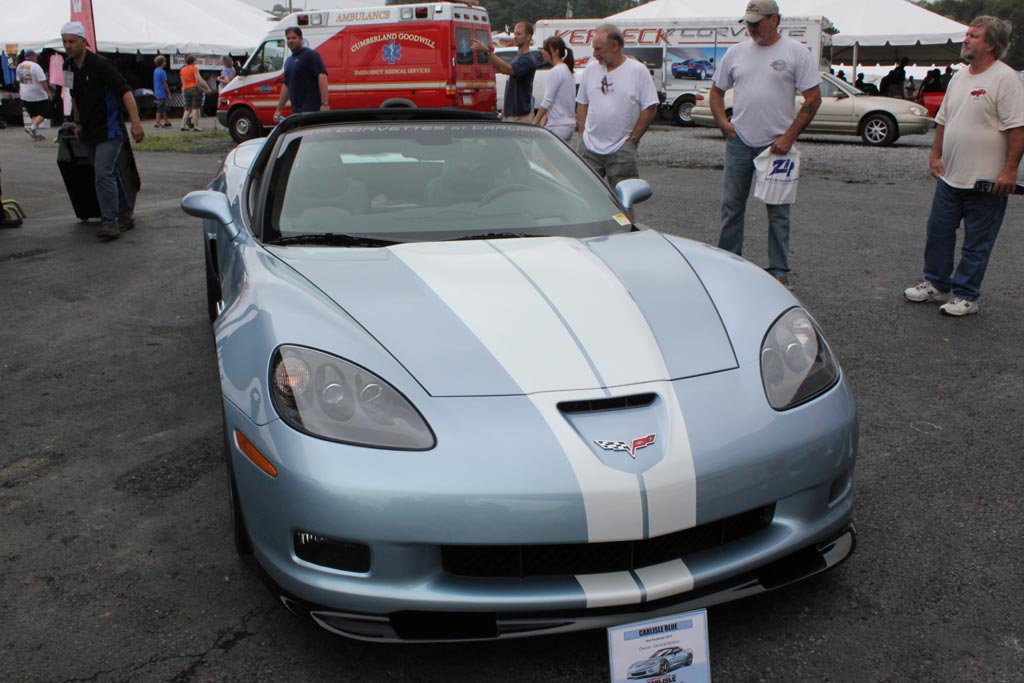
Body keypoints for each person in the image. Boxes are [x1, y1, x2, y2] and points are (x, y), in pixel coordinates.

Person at [903, 16, 1024, 317]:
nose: (966, 39)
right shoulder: (959, 76)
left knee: (977, 240)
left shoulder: (1005, 78)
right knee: (939, 230)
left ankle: (967, 295)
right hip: (951, 176)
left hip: (986, 179)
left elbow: (1018, 128)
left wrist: (1009, 170)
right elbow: (944, 120)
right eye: (967, 34)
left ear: (992, 45)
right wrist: (935, 155)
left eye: (974, 36)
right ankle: (936, 283)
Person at [709, 0, 821, 289]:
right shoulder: (736, 53)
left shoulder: (795, 53)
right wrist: (723, 122)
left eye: (757, 22)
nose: (752, 27)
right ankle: (729, 262)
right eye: (749, 22)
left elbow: (813, 98)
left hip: (776, 146)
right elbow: (716, 91)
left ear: (775, 19)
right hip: (740, 141)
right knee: (732, 206)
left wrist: (788, 136)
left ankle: (778, 270)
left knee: (779, 209)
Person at [61, 21, 145, 241]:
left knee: (102, 173)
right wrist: (77, 122)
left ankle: (110, 223)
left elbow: (125, 93)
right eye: (65, 42)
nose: (68, 46)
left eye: (72, 41)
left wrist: (135, 123)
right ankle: (125, 215)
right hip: (89, 129)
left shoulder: (101, 64)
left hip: (110, 129)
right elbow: (74, 96)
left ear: (84, 42)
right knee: (110, 172)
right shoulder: (68, 67)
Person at [575, 24, 659, 189]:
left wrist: (633, 139)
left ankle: (626, 217)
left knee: (623, 199)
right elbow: (582, 102)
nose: (594, 54)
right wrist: (582, 133)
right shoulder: (591, 69)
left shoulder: (638, 71)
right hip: (590, 148)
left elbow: (650, 107)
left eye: (598, 49)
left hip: (621, 149)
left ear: (614, 46)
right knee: (585, 195)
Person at [472, 22, 536, 122]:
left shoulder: (527, 60)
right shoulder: (518, 58)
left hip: (520, 115)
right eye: (514, 34)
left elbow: (506, 69)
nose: (515, 37)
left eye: (519, 34)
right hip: (511, 113)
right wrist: (504, 111)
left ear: (528, 36)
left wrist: (487, 51)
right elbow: (511, 88)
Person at [273, 27, 329, 121]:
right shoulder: (288, 61)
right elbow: (286, 85)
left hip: (312, 110)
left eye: (294, 38)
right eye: (288, 38)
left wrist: (324, 104)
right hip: (297, 112)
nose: (291, 40)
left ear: (301, 39)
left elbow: (322, 77)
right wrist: (278, 110)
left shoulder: (311, 55)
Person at [531, 36, 576, 141]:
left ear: (555, 51)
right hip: (569, 124)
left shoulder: (556, 71)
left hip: (557, 125)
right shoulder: (568, 70)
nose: (543, 53)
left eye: (546, 50)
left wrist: (535, 121)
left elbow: (548, 100)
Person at [17, 49, 53, 141]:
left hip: (25, 94)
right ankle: (32, 127)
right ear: (33, 56)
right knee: (46, 111)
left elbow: (19, 80)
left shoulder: (19, 66)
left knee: (33, 113)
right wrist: (48, 91)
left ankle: (35, 132)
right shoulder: (36, 66)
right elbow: (42, 81)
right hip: (37, 95)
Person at [179, 55, 204, 131]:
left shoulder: (182, 70)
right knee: (195, 108)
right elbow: (199, 79)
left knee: (187, 108)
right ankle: (196, 126)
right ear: (193, 61)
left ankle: (183, 125)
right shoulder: (194, 68)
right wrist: (206, 87)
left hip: (185, 88)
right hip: (194, 88)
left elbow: (182, 81)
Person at [152, 56, 170, 129]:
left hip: (157, 90)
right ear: (162, 63)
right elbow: (165, 83)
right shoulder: (162, 72)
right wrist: (169, 92)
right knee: (160, 107)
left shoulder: (155, 71)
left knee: (163, 107)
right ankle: (157, 122)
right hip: (161, 91)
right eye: (165, 61)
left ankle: (166, 121)